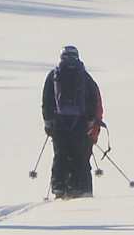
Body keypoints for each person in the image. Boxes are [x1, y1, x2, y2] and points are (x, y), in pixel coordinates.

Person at [41, 45, 103, 199]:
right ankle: (80, 188)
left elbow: (47, 101)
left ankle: (58, 187)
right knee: (79, 155)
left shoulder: (53, 76)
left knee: (60, 154)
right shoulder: (85, 76)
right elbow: (93, 100)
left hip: (59, 124)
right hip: (80, 124)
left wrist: (48, 122)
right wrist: (89, 121)